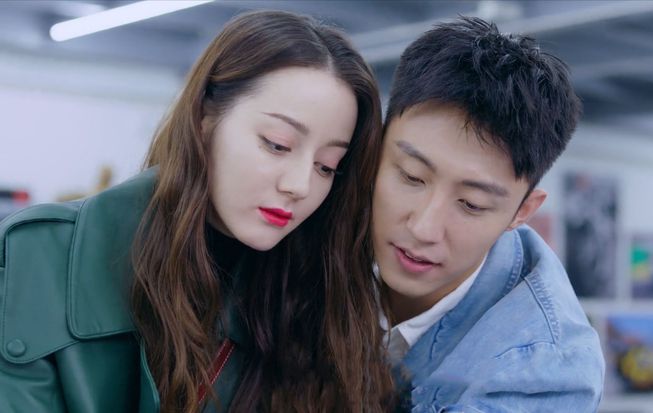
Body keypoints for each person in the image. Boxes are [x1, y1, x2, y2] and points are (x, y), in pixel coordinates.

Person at [0, 10, 394, 413]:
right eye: (277, 144)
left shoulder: (314, 300)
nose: (300, 185)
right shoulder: (37, 256)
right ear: (204, 117)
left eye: (326, 166)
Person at [372, 17, 605, 412]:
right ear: (374, 150)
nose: (424, 228)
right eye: (412, 177)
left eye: (471, 204)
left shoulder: (544, 373)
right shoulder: (305, 219)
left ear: (522, 212)